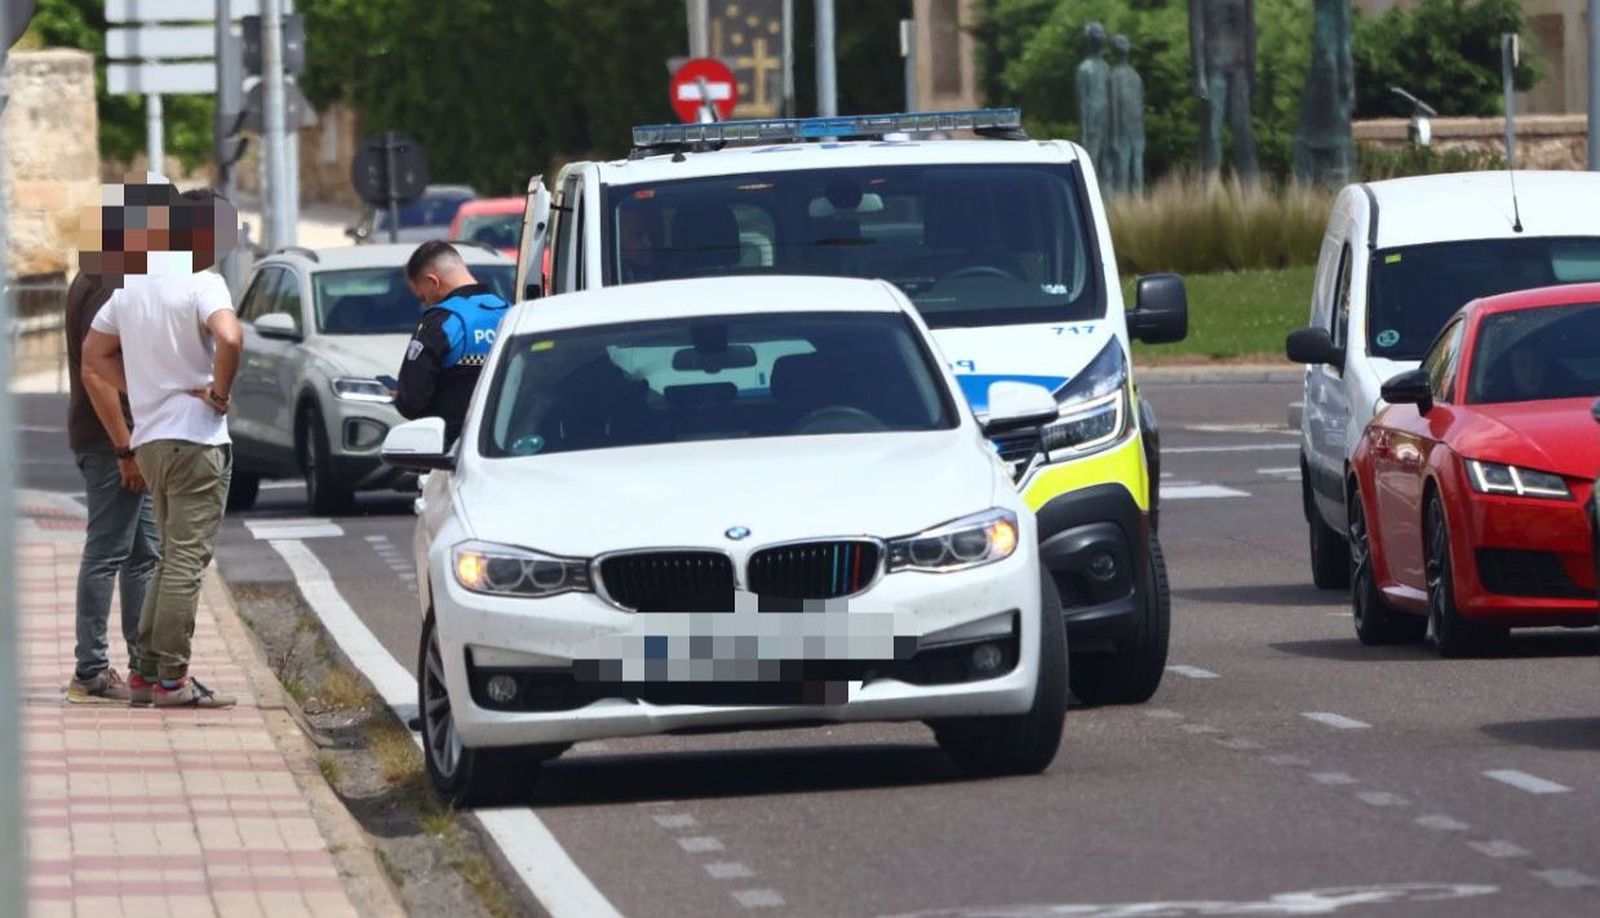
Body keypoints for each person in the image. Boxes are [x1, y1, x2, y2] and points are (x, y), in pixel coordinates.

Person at [81, 185, 243, 709]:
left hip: (151, 440)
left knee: (168, 556)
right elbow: (232, 337)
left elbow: (94, 354)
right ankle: (172, 679)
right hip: (196, 438)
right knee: (185, 563)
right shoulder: (203, 284)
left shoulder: (130, 288)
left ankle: (146, 675)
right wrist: (217, 393)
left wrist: (148, 388)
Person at [64, 264, 160, 704]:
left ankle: (144, 665)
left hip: (116, 438)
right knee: (108, 552)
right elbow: (98, 371)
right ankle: (91, 670)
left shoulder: (94, 274)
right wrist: (126, 448)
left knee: (144, 553)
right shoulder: (109, 285)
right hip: (113, 441)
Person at [395, 240, 512, 444]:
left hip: (456, 451)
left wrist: (399, 396)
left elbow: (413, 401)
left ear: (433, 281)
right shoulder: (513, 312)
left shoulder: (442, 321)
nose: (425, 303)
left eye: (422, 297)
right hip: (511, 444)